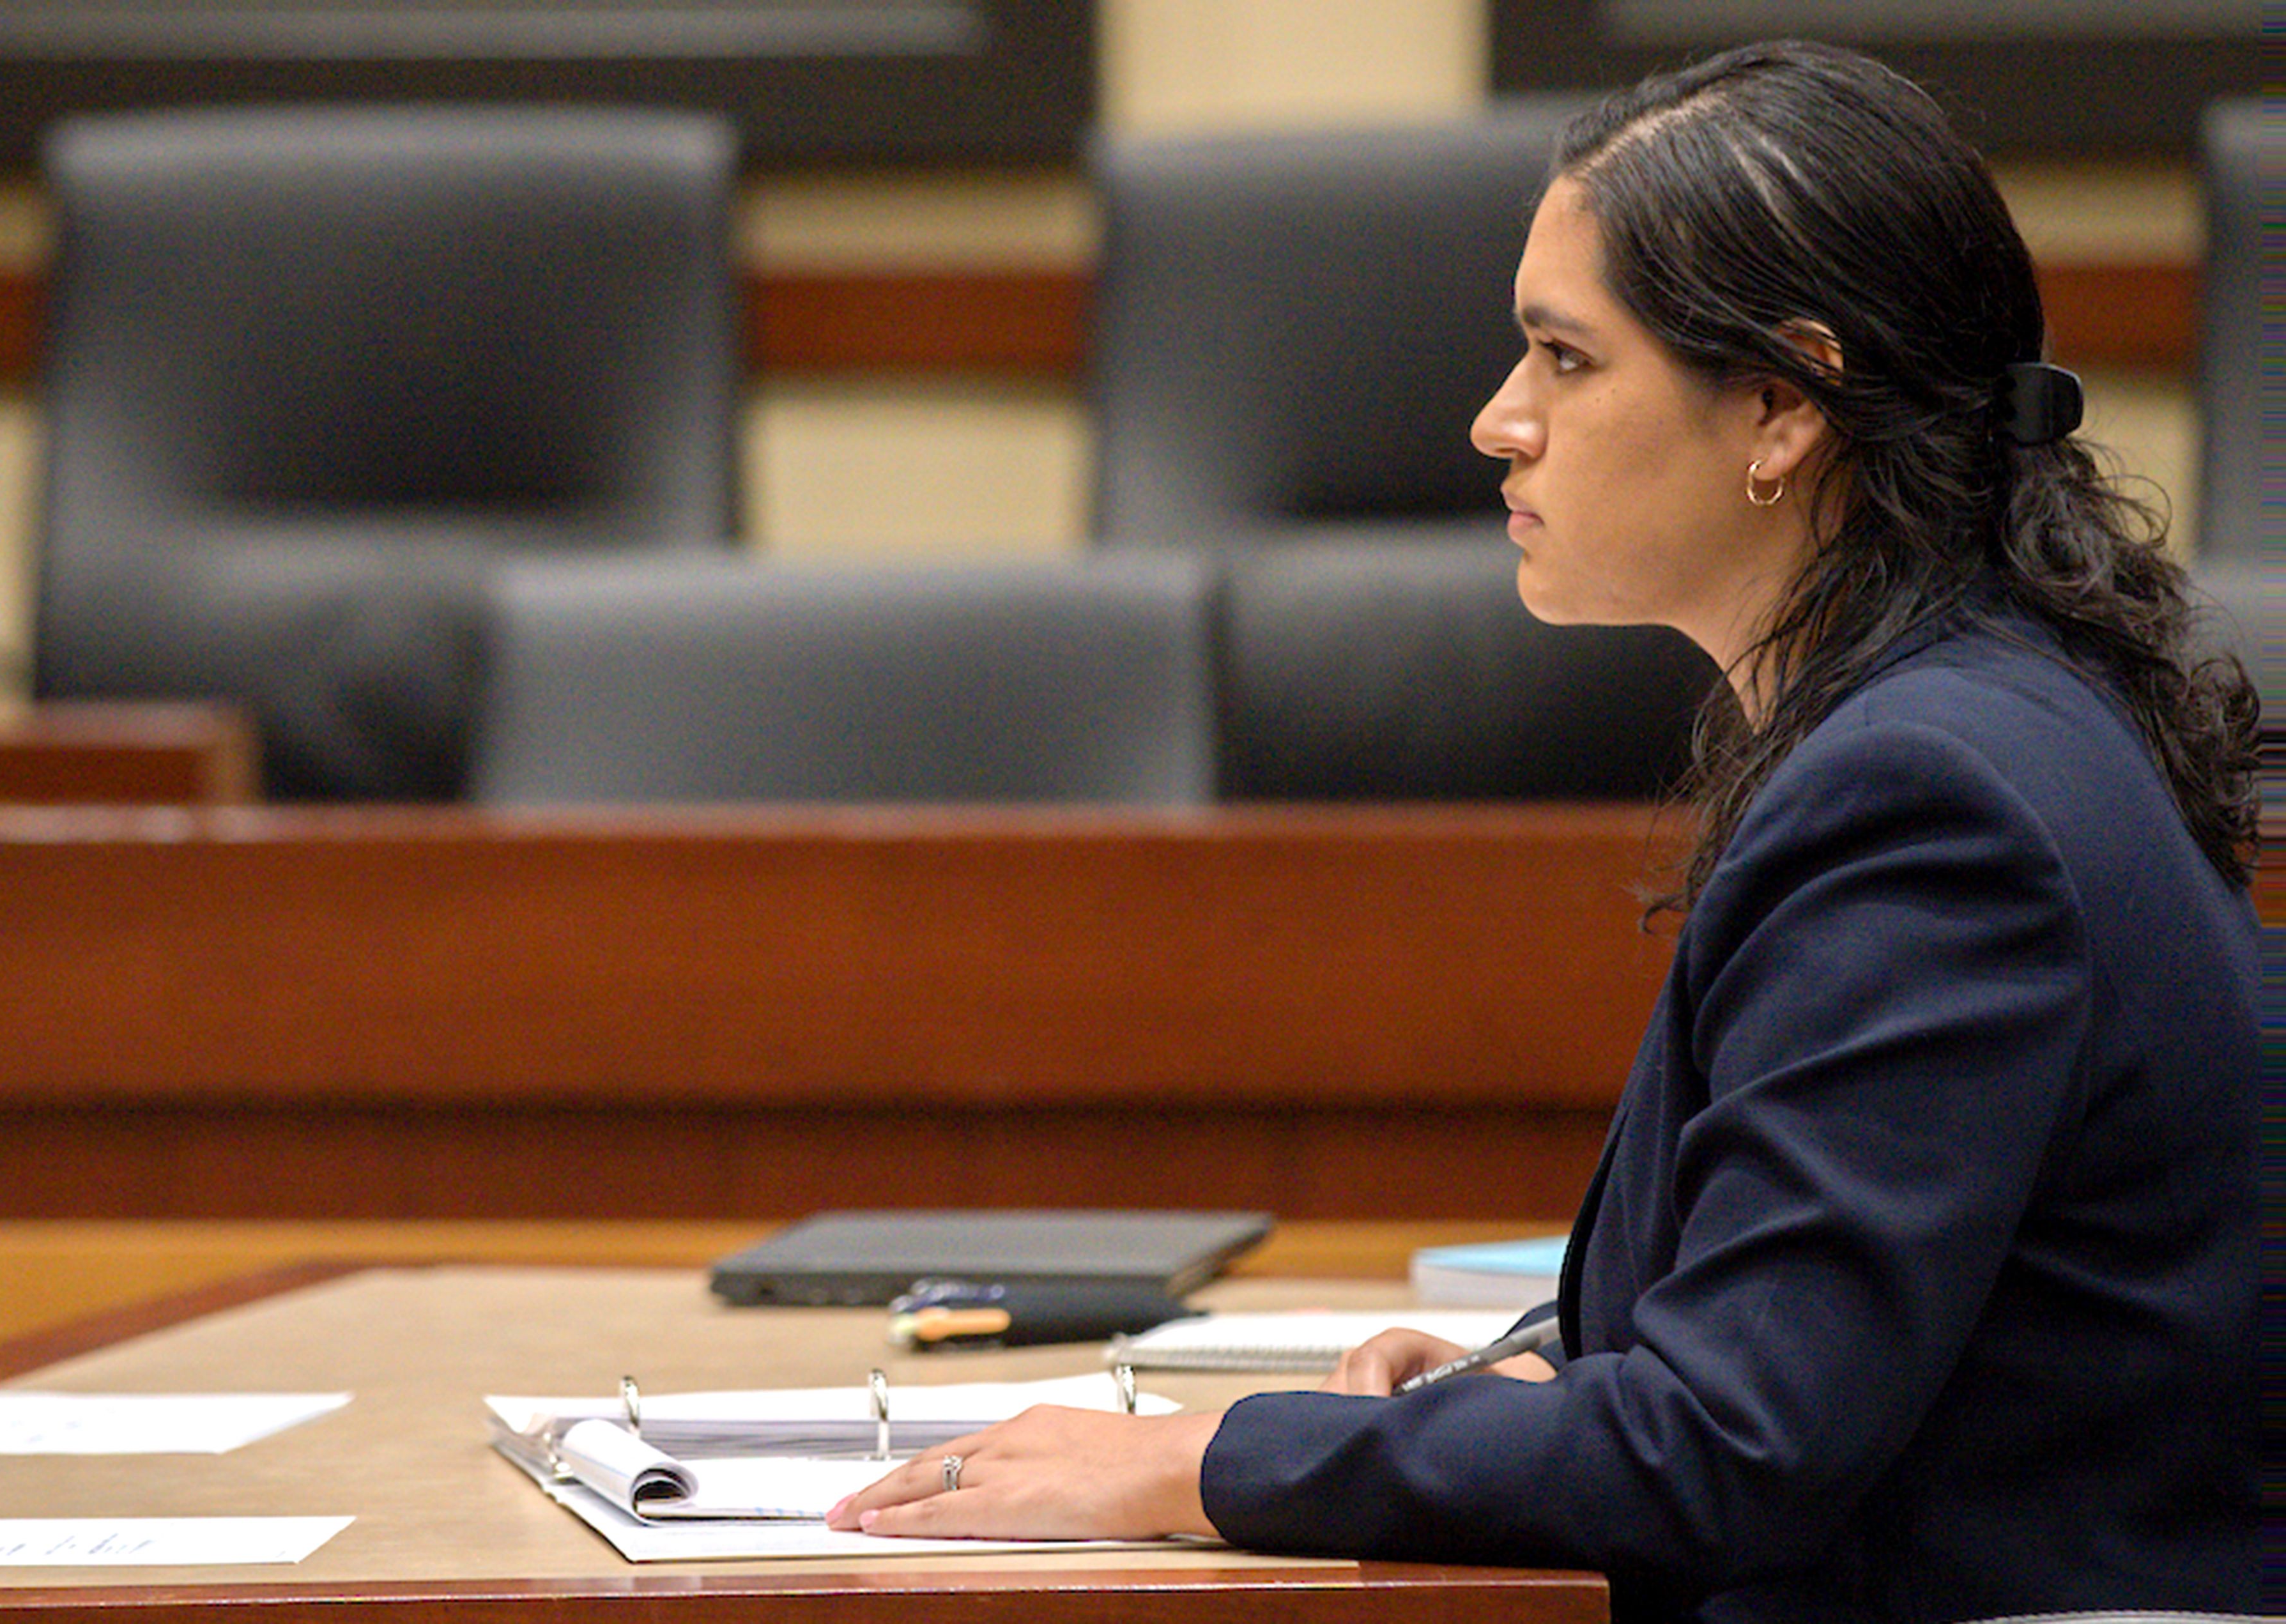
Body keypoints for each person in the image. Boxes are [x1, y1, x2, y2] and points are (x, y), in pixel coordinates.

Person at [827, 39, 2261, 1623]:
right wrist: (1522, 1388)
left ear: (1780, 406)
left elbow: (1725, 1446)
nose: (1498, 422)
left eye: (1566, 360)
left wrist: (1206, 1458)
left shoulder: (1927, 797)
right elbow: (1913, 1333)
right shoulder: (1995, 706)